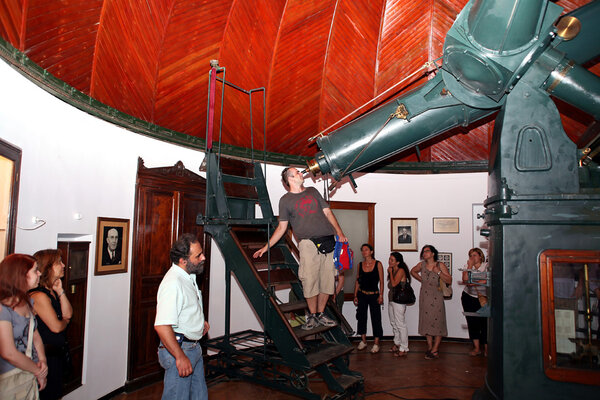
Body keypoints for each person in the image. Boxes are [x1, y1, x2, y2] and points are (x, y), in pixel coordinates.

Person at [253, 167, 347, 330]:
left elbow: (328, 212)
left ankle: (320, 314)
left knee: (328, 280)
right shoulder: (285, 200)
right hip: (307, 244)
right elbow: (282, 228)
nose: (301, 173)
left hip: (329, 241)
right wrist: (266, 247)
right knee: (309, 280)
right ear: (289, 179)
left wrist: (339, 233)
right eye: (296, 172)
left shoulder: (313, 191)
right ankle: (312, 316)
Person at [154, 234, 210, 400]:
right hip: (181, 350)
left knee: (199, 396)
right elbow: (162, 326)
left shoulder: (188, 276)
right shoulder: (173, 283)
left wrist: (199, 322)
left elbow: (186, 308)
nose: (203, 257)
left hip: (193, 348)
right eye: (198, 256)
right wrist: (179, 357)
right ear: (183, 261)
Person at [0, 254, 48, 398]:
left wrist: (42, 361)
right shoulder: (3, 308)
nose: (39, 273)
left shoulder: (27, 301)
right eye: (35, 270)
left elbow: (35, 335)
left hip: (29, 373)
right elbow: (8, 353)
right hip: (10, 378)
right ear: (20, 275)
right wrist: (38, 371)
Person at [30, 249, 73, 400]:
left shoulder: (52, 291)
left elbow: (69, 313)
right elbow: (56, 327)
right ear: (48, 267)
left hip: (57, 354)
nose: (63, 265)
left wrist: (60, 291)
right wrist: (65, 322)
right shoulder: (39, 295)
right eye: (59, 262)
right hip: (45, 357)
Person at [410, 245, 451, 359]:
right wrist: (422, 280)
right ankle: (430, 347)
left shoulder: (440, 265)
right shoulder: (421, 265)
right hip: (425, 296)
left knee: (438, 322)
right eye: (423, 251)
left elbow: (449, 280)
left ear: (433, 253)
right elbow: (412, 271)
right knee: (426, 321)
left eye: (427, 251)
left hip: (436, 296)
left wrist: (438, 272)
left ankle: (435, 349)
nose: (424, 253)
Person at [353, 244, 384, 353]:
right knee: (361, 317)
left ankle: (376, 343)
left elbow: (382, 281)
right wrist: (355, 295)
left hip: (374, 295)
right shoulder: (360, 265)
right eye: (362, 250)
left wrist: (381, 295)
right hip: (362, 294)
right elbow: (358, 281)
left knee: (376, 318)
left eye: (366, 250)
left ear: (371, 251)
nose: (364, 252)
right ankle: (363, 341)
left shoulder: (378, 264)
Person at [461, 248, 488, 357]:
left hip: (484, 298)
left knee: (485, 323)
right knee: (472, 322)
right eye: (470, 255)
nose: (472, 257)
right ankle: (476, 348)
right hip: (469, 297)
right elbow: (465, 280)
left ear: (480, 256)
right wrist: (469, 267)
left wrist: (473, 283)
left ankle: (487, 349)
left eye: (475, 255)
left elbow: (486, 280)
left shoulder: (486, 266)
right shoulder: (467, 266)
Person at [387, 252, 411, 356]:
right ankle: (397, 343)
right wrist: (391, 272)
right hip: (392, 300)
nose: (389, 261)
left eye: (392, 260)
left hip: (399, 301)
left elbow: (393, 284)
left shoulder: (400, 270)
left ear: (397, 262)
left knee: (400, 324)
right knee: (393, 323)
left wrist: (390, 272)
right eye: (389, 259)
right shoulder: (393, 270)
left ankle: (404, 347)